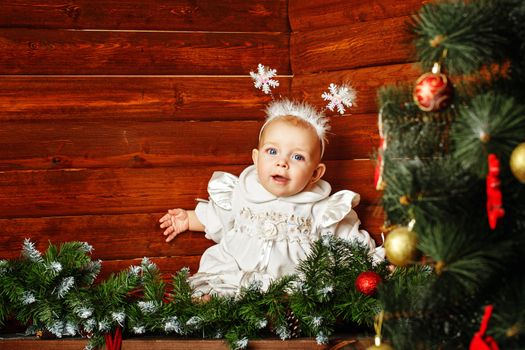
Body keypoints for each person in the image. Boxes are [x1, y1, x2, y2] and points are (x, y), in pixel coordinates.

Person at [159, 99, 384, 297]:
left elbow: (346, 239)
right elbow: (221, 217)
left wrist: (375, 261)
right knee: (219, 274)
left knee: (307, 291)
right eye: (272, 151)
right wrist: (188, 220)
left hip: (290, 284)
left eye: (297, 157)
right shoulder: (242, 192)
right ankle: (213, 300)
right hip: (238, 270)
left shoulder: (320, 208)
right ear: (256, 159)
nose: (282, 162)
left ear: (315, 173)